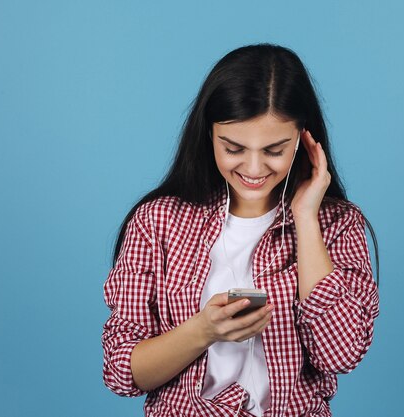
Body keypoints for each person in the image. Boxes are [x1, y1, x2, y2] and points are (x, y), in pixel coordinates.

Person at [101, 43, 380, 417]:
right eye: (233, 148)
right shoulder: (157, 223)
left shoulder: (337, 225)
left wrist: (307, 217)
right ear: (208, 135)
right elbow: (122, 373)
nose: (253, 167)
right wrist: (203, 331)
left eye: (274, 150)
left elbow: (341, 353)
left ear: (303, 140)